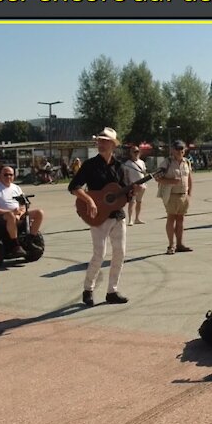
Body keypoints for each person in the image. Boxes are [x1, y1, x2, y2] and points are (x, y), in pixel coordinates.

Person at [68, 127, 130, 306]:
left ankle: (112, 291)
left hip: (117, 215)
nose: (101, 144)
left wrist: (131, 192)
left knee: (119, 253)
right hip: (97, 216)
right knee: (99, 254)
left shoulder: (119, 166)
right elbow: (74, 187)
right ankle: (88, 289)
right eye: (100, 141)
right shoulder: (89, 165)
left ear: (113, 145)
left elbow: (123, 191)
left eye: (105, 141)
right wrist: (89, 201)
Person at [0, 166, 44, 253]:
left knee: (39, 213)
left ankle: (30, 241)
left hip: (17, 215)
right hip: (0, 218)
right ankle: (15, 245)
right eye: (5, 175)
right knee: (10, 215)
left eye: (11, 175)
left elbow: (24, 205)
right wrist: (11, 213)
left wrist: (20, 213)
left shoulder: (16, 188)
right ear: (0, 175)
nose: (8, 177)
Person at [157, 141, 193, 254]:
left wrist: (189, 193)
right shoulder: (166, 162)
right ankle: (171, 245)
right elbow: (157, 178)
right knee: (171, 218)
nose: (180, 151)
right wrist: (171, 181)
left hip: (183, 195)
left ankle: (180, 244)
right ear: (172, 150)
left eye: (182, 149)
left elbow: (189, 178)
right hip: (171, 195)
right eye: (177, 149)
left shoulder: (186, 162)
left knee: (181, 219)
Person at [122, 145, 149, 226]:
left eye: (138, 151)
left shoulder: (142, 162)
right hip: (132, 186)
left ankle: (137, 218)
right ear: (131, 153)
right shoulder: (127, 163)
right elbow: (125, 176)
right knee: (132, 202)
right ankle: (130, 219)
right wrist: (128, 186)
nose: (136, 153)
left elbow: (144, 172)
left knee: (139, 202)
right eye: (134, 152)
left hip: (142, 185)